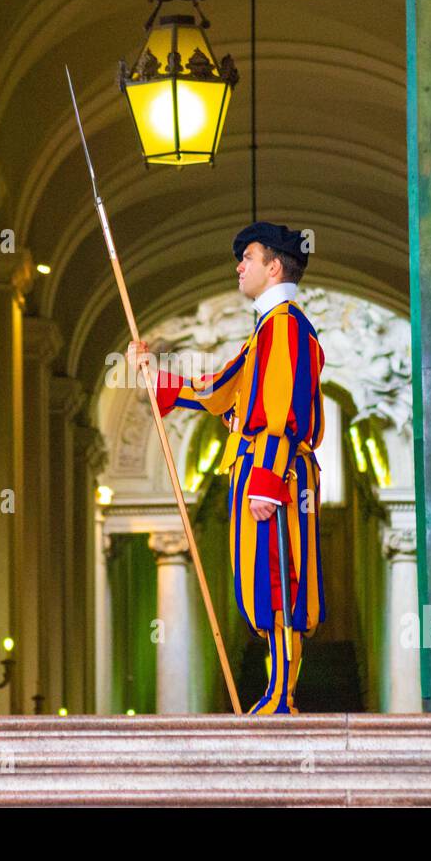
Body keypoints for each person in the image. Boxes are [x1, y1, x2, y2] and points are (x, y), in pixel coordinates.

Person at [129, 222, 326, 714]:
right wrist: (156, 375)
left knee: (279, 588)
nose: (239, 266)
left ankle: (282, 697)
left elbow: (283, 410)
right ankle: (276, 692)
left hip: (272, 474)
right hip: (261, 471)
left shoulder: (284, 325)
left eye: (249, 258)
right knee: (263, 586)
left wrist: (266, 481)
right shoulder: (265, 330)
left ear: (274, 265)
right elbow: (222, 390)